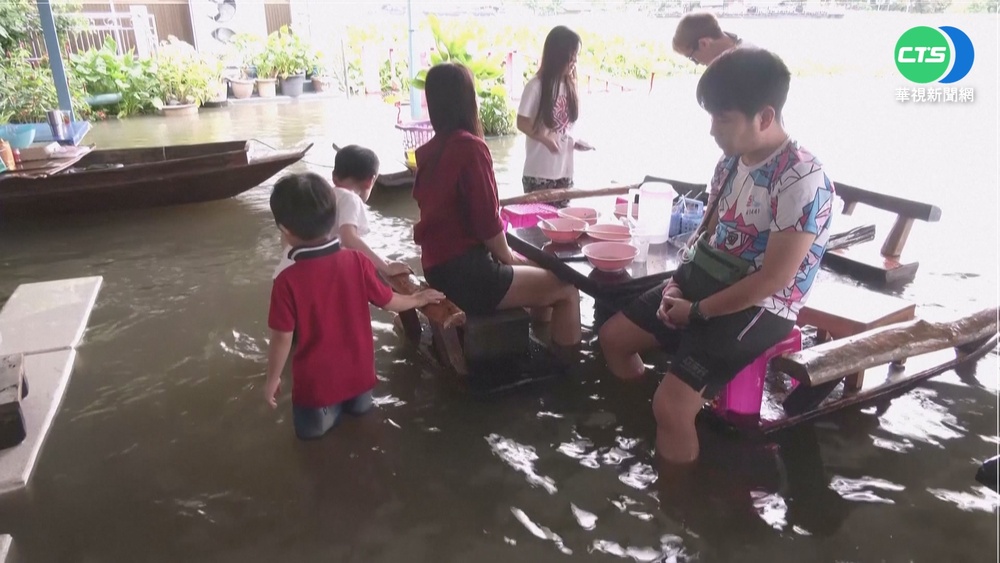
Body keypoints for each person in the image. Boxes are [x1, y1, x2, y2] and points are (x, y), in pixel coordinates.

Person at [598, 48, 834, 464]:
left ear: (764, 117)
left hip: (763, 306)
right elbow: (706, 232)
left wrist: (697, 312)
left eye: (722, 119)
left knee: (671, 406)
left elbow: (774, 279)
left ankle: (676, 488)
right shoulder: (730, 162)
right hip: (707, 278)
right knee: (613, 339)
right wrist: (677, 283)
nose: (712, 130)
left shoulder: (800, 177)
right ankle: (650, 426)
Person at [412, 62, 582, 348]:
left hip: (436, 268)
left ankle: (539, 343)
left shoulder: (430, 151)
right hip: (469, 275)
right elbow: (488, 225)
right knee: (566, 288)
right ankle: (567, 365)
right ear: (468, 100)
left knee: (542, 277)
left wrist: (510, 260)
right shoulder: (470, 148)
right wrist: (510, 258)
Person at [265, 172, 444, 440]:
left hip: (317, 389)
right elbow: (389, 301)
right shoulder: (357, 261)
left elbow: (282, 338)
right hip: (360, 377)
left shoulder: (286, 281)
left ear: (285, 231)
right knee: (362, 429)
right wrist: (419, 299)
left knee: (314, 443)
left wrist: (272, 379)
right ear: (334, 218)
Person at [273, 145, 411, 279]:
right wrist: (386, 267)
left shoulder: (324, 197)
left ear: (334, 176)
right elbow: (349, 239)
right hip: (322, 272)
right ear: (370, 181)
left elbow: (288, 238)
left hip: (297, 268)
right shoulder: (351, 199)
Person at [516, 25, 593, 204]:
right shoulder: (536, 86)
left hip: (564, 172)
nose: (574, 61)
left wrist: (574, 142)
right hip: (539, 174)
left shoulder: (570, 86)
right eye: (571, 56)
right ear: (557, 56)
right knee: (540, 221)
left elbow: (565, 128)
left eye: (576, 56)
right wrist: (546, 139)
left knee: (563, 221)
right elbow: (521, 122)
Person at [672, 11, 752, 66]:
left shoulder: (731, 70)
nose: (698, 64)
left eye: (693, 58)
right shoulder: (748, 50)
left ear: (704, 43)